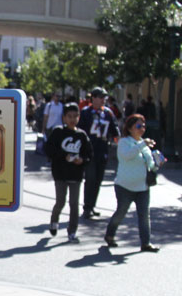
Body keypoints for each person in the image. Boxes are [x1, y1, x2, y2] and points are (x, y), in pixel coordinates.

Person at [104, 114, 159, 252]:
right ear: (129, 128)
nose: (142, 129)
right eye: (139, 126)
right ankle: (110, 235)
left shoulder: (144, 145)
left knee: (144, 215)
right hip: (124, 186)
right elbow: (127, 156)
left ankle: (146, 243)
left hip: (142, 187)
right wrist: (142, 144)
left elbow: (151, 166)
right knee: (121, 212)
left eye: (144, 126)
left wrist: (158, 163)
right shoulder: (124, 142)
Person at [45, 103, 93, 242]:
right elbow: (49, 150)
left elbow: (89, 154)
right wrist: (63, 156)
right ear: (64, 118)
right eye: (69, 116)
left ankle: (72, 231)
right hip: (60, 173)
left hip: (76, 174)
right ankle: (54, 221)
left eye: (75, 116)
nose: (72, 119)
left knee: (74, 203)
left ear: (78, 117)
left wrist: (82, 160)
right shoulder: (58, 132)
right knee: (60, 201)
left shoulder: (82, 135)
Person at [78, 87, 119, 218]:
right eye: (101, 97)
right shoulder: (85, 112)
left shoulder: (108, 113)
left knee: (98, 180)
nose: (103, 100)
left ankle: (92, 205)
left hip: (102, 151)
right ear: (93, 98)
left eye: (104, 98)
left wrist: (118, 139)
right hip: (89, 151)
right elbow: (80, 131)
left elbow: (114, 129)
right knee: (90, 179)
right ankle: (87, 207)